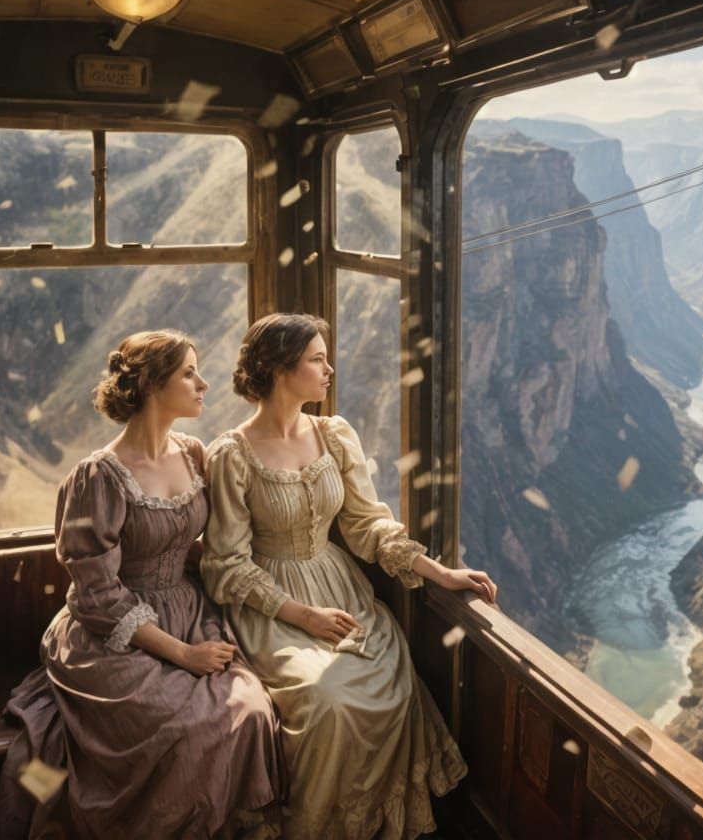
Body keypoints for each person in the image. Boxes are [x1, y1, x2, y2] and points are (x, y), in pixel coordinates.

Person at [201, 313, 497, 840]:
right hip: (272, 605)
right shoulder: (232, 455)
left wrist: (440, 573)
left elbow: (366, 525)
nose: (329, 369)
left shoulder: (334, 435)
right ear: (279, 369)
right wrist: (304, 616)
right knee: (326, 701)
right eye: (316, 359)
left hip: (340, 590)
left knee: (395, 685)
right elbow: (225, 562)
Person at [0, 331, 284, 840]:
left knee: (251, 709)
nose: (204, 384)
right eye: (189, 374)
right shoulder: (98, 476)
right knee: (186, 727)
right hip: (112, 632)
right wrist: (184, 654)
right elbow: (96, 593)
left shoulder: (193, 454)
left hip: (189, 611)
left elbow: (208, 541)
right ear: (152, 384)